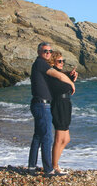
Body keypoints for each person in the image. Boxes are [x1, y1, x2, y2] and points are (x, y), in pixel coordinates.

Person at [28, 42, 75, 176]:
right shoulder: (41, 63)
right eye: (45, 51)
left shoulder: (40, 65)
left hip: (41, 103)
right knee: (47, 137)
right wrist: (71, 82)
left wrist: (69, 76)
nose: (48, 53)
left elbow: (59, 74)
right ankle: (49, 169)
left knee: (38, 136)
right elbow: (58, 76)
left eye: (49, 51)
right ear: (39, 52)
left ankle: (32, 166)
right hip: (42, 105)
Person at [46, 51, 78, 175]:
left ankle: (55, 164)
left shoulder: (60, 74)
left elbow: (65, 85)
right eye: (59, 61)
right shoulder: (52, 74)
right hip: (59, 104)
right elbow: (61, 87)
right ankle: (54, 166)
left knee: (67, 138)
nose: (62, 63)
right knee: (59, 138)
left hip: (65, 104)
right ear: (53, 61)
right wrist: (70, 82)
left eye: (63, 61)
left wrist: (71, 78)